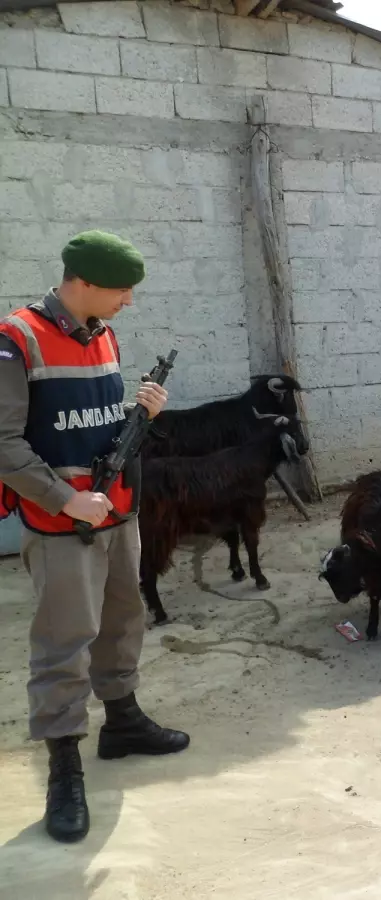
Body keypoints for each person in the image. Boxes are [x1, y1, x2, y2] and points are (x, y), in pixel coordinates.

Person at [0, 230, 191, 845]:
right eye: (121, 290)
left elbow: (101, 421)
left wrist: (146, 410)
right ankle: (63, 765)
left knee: (122, 619)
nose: (128, 302)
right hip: (62, 525)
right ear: (82, 282)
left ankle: (123, 721)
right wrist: (65, 498)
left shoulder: (101, 333)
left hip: (117, 514)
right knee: (64, 641)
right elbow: (4, 444)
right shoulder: (17, 340)